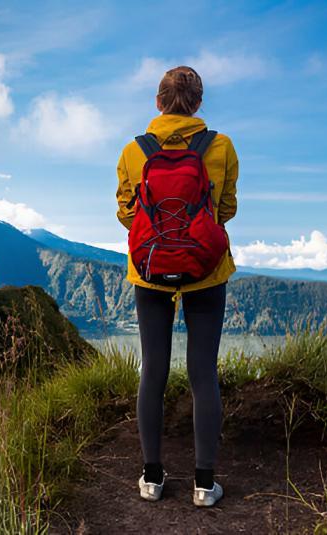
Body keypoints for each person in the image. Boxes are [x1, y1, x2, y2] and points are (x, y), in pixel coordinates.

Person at [115, 65, 239, 507]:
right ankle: (204, 484)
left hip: (149, 271)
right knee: (203, 372)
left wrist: (161, 234)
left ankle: (152, 478)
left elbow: (128, 215)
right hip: (206, 270)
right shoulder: (221, 146)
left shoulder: (134, 151)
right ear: (199, 103)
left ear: (157, 102)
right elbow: (225, 210)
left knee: (154, 369)